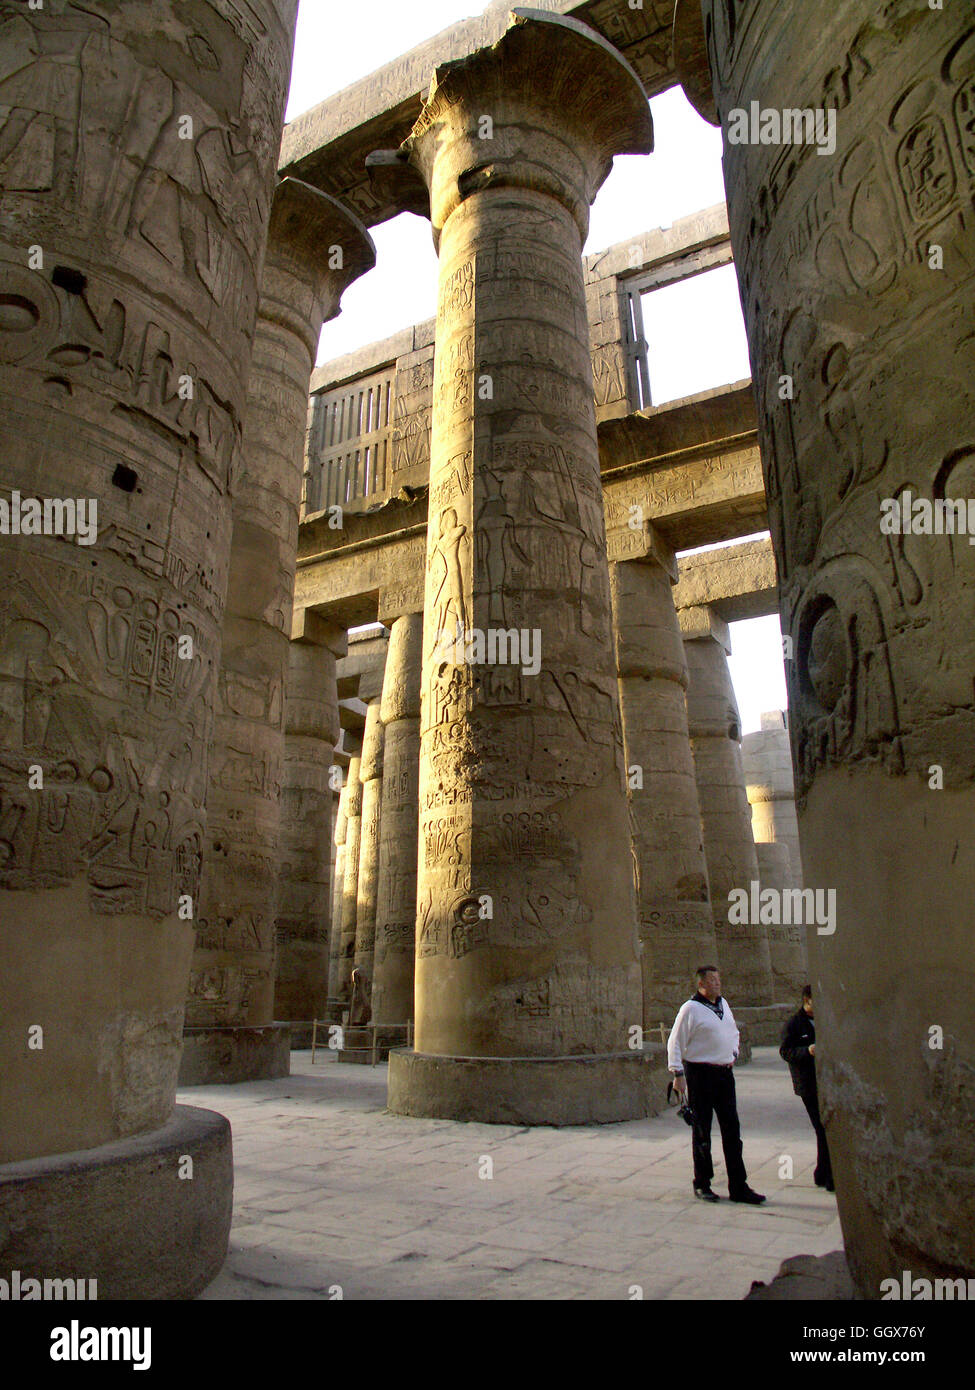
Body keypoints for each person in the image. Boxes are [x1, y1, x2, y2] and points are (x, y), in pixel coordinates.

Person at [667, 965, 766, 1204]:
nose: (717, 984)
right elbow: (675, 1041)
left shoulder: (723, 1005)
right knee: (702, 1131)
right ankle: (702, 1183)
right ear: (700, 984)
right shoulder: (690, 1009)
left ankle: (738, 1185)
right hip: (700, 1074)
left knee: (732, 1130)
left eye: (718, 979)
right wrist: (677, 1073)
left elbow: (733, 1032)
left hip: (724, 1074)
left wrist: (733, 1052)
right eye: (712, 980)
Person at [779, 984, 834, 1192]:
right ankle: (829, 1176)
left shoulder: (824, 1020)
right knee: (822, 1128)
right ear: (807, 1001)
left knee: (826, 1128)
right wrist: (807, 1051)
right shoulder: (794, 1024)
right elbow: (786, 1052)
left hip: (827, 1081)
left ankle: (821, 1173)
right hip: (809, 1085)